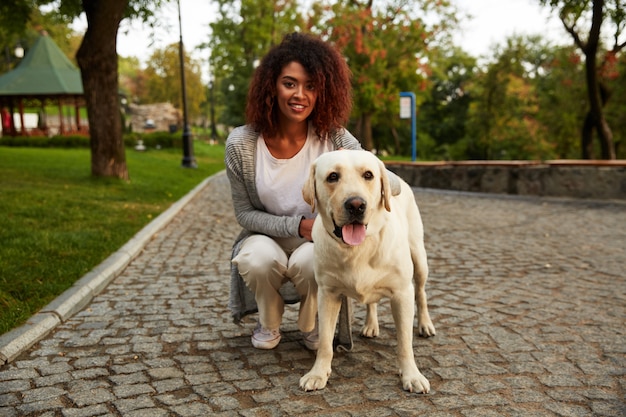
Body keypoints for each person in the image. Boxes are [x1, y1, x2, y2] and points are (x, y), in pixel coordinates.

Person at [224, 32, 363, 350]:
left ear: (323, 91)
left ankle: (314, 323)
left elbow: (373, 170)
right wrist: (298, 226)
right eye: (290, 83)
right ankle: (268, 321)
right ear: (271, 85)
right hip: (266, 239)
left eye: (310, 86)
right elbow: (244, 213)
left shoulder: (334, 138)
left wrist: (394, 188)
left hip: (319, 243)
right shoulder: (242, 144)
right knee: (255, 258)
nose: (300, 94)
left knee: (314, 260)